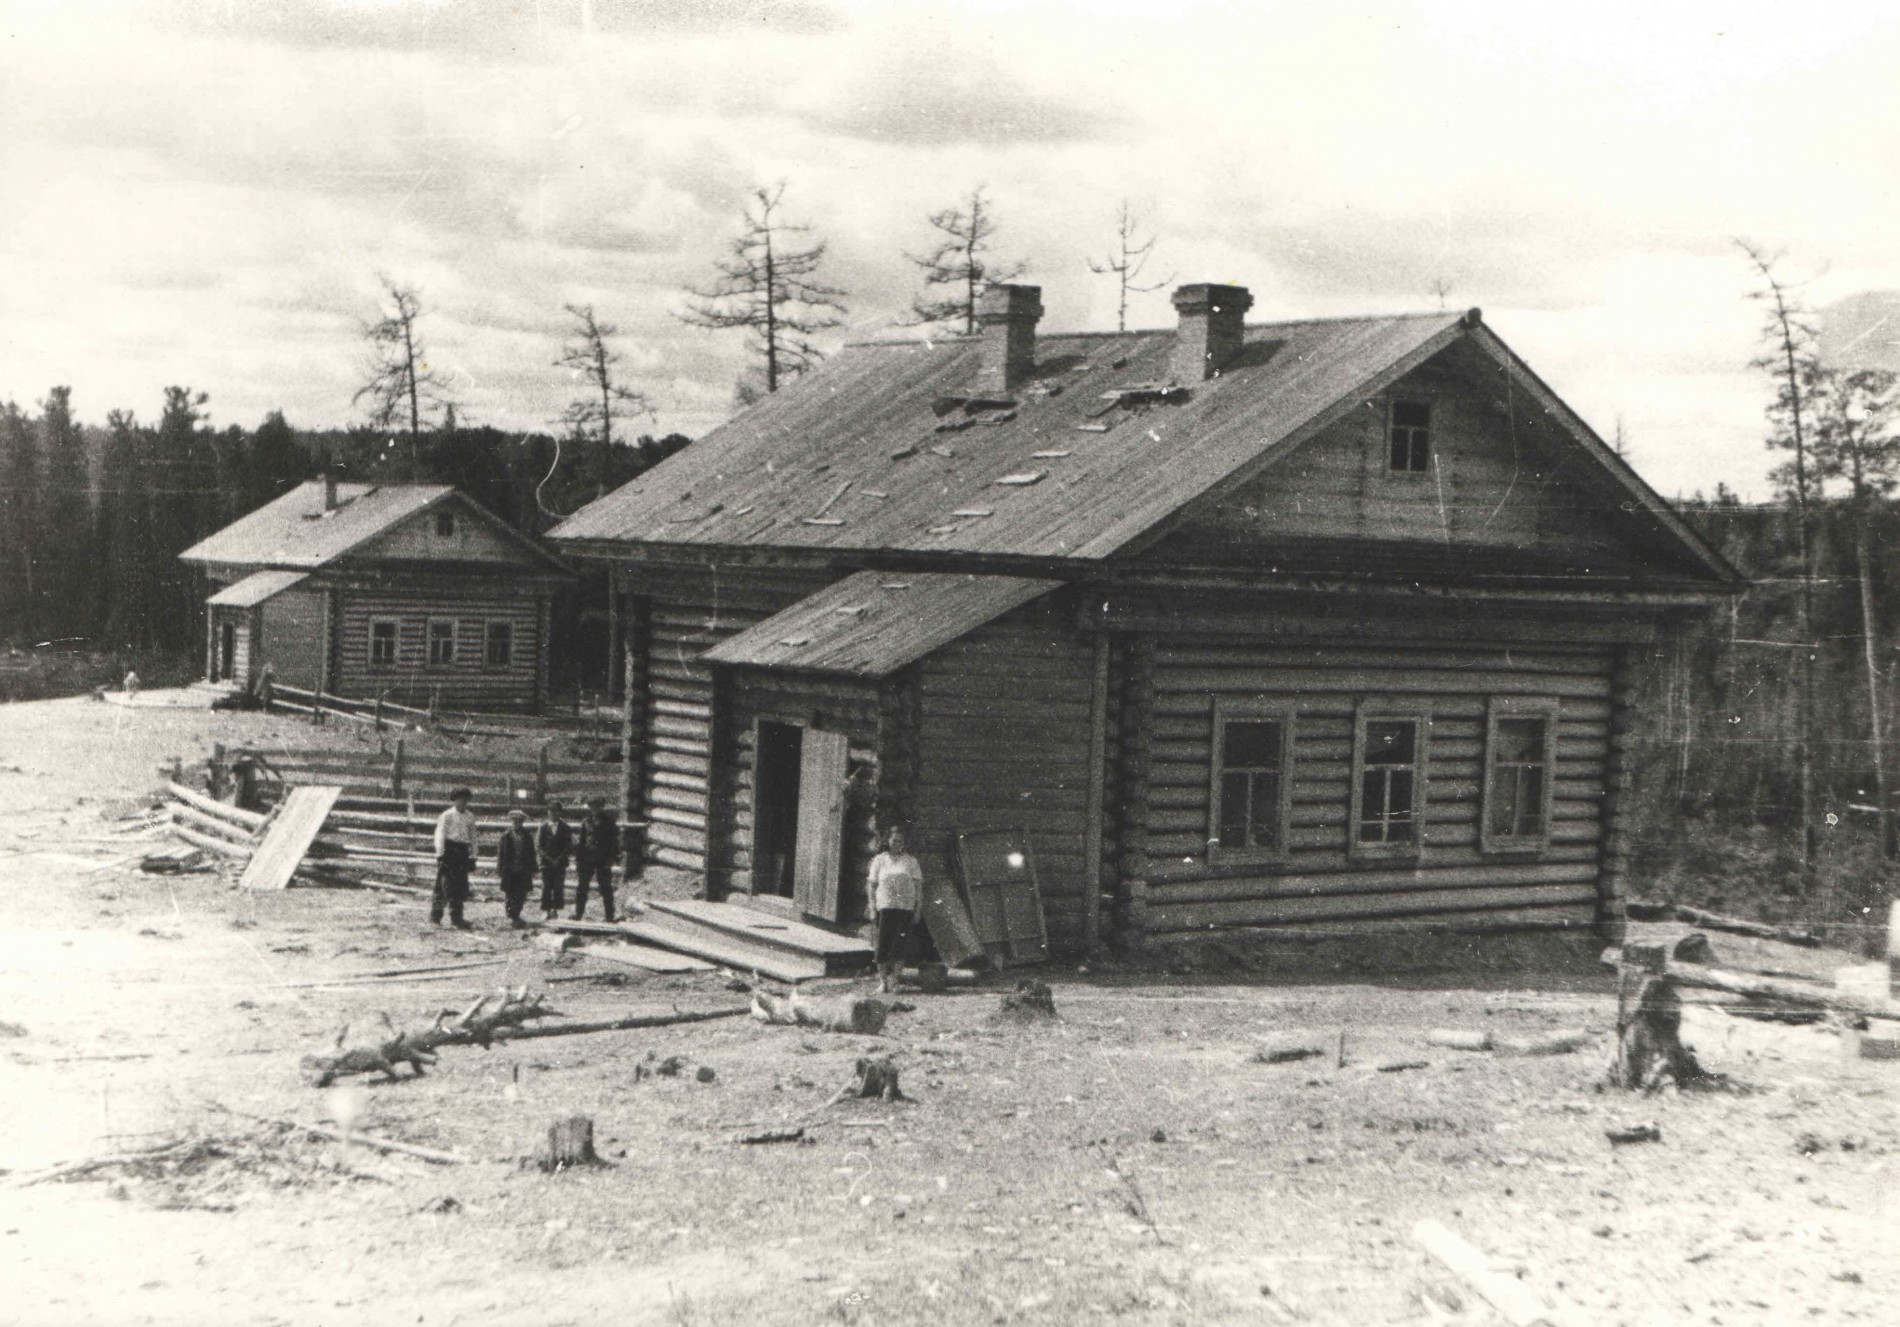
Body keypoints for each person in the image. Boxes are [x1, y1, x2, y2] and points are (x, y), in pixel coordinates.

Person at [865, 824, 924, 994]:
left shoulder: (911, 861)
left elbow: (918, 887)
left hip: (905, 908)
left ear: (904, 843)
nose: (897, 843)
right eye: (894, 840)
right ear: (888, 840)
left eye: (900, 841)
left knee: (900, 946)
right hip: (885, 907)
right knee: (883, 945)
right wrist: (873, 907)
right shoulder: (879, 860)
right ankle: (883, 982)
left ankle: (896, 981)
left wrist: (917, 908)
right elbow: (872, 885)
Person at [431, 787, 477, 930]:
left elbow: (473, 838)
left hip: (462, 852)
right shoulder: (447, 815)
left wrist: (473, 856)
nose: (463, 802)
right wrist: (440, 853)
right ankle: (435, 916)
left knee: (460, 886)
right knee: (444, 885)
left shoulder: (470, 817)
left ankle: (457, 918)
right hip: (449, 851)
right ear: (455, 800)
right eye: (460, 799)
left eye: (466, 800)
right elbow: (440, 834)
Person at [574, 796, 620, 923]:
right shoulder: (586, 821)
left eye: (597, 806)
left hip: (603, 859)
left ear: (602, 807)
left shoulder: (609, 821)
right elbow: (582, 841)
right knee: (582, 887)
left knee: (605, 888)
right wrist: (579, 859)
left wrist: (611, 858)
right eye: (592, 806)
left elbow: (614, 842)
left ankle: (609, 916)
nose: (594, 809)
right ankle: (578, 914)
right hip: (587, 858)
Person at [496, 808, 536, 929]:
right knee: (510, 893)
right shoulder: (506, 836)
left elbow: (531, 853)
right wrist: (500, 869)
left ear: (522, 822)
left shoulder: (527, 836)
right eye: (514, 821)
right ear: (511, 822)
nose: (516, 823)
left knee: (521, 894)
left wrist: (533, 868)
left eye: (519, 821)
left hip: (523, 870)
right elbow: (501, 854)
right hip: (510, 870)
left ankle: (516, 915)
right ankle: (510, 916)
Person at [536, 797, 573, 922]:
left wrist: (559, 859)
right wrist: (548, 858)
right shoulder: (543, 827)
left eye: (556, 811)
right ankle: (546, 910)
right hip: (546, 863)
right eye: (551, 811)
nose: (553, 813)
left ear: (560, 812)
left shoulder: (566, 828)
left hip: (560, 863)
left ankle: (555, 911)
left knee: (558, 887)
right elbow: (539, 846)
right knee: (546, 887)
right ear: (547, 812)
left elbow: (568, 846)